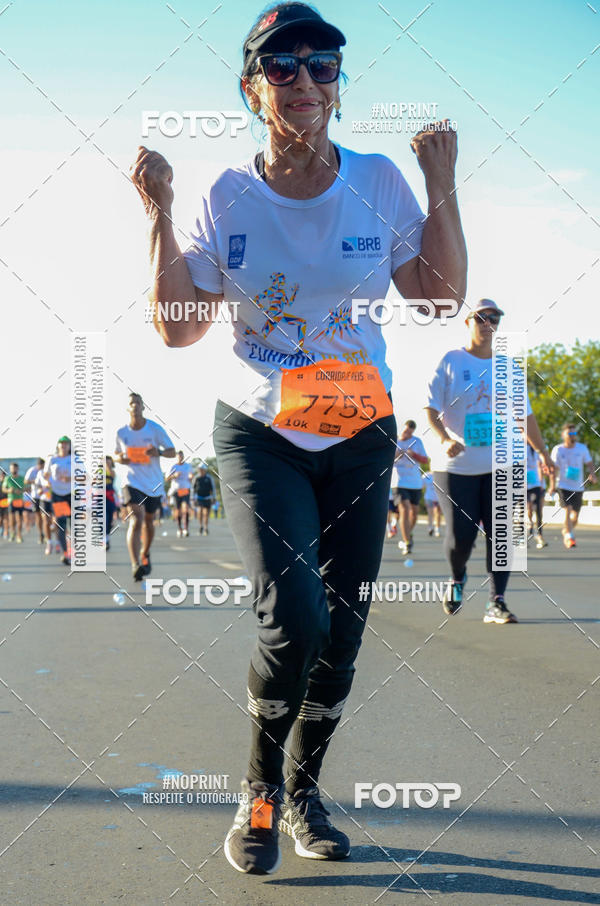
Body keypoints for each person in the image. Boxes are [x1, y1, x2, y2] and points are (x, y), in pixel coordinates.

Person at [131, 0, 466, 875]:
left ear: (339, 88)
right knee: (296, 619)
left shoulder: (380, 180)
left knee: (343, 632)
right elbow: (177, 329)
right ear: (253, 88)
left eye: (324, 65)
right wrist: (159, 213)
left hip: (359, 429)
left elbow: (437, 299)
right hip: (259, 431)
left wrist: (442, 187)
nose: (306, 79)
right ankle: (259, 796)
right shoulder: (224, 192)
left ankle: (305, 790)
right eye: (283, 66)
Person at [425, 299, 554, 624]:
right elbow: (430, 408)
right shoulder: (450, 361)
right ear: (467, 322)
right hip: (456, 466)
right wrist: (444, 439)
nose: (488, 322)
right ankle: (457, 578)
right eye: (481, 317)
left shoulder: (509, 368)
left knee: (504, 535)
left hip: (502, 463)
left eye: (494, 317)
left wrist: (542, 452)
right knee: (460, 539)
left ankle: (496, 601)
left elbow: (524, 415)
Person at [114, 392, 175, 580]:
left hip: (153, 483)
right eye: (131, 403)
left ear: (143, 407)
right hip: (131, 481)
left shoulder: (154, 429)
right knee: (136, 519)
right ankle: (135, 564)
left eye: (138, 403)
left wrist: (159, 452)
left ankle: (145, 553)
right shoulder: (121, 433)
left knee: (149, 521)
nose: (135, 406)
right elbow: (115, 454)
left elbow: (172, 452)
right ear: (127, 408)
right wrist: (120, 458)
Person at [549, 423, 595, 549]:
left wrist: (592, 474)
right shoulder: (558, 449)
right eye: (570, 433)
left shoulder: (582, 448)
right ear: (563, 435)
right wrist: (552, 485)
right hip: (563, 485)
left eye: (574, 433)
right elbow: (553, 469)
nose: (572, 436)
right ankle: (569, 537)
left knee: (575, 518)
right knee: (567, 510)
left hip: (578, 486)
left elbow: (589, 463)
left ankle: (566, 530)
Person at [391, 420, 428, 555]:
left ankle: (408, 533)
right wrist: (397, 454)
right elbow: (385, 460)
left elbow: (425, 460)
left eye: (410, 432)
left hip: (415, 482)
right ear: (401, 429)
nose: (407, 434)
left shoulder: (417, 441)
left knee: (414, 514)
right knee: (404, 509)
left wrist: (413, 454)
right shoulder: (393, 441)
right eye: (406, 431)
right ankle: (407, 543)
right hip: (399, 482)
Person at [44, 437, 72, 566]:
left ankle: (73, 550)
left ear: (70, 446)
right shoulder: (52, 459)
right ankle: (65, 553)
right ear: (58, 445)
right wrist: (47, 482)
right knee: (61, 524)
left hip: (72, 494)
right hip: (58, 495)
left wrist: (70, 478)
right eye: (61, 443)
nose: (63, 446)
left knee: (74, 525)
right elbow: (46, 475)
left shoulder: (75, 459)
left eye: (66, 444)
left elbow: (85, 477)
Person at [166, 451, 194, 537]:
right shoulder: (173, 467)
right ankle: (179, 529)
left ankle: (186, 529)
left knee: (185, 509)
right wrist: (174, 476)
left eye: (182, 457)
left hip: (185, 489)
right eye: (179, 457)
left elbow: (191, 475)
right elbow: (167, 478)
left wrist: (191, 477)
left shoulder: (188, 466)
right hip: (176, 490)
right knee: (177, 510)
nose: (180, 458)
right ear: (176, 457)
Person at [526, 442, 547, 549]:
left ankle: (539, 535)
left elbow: (540, 465)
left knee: (539, 510)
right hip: (523, 483)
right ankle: (527, 527)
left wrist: (540, 482)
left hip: (536, 483)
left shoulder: (536, 448)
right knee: (528, 509)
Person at [25, 458, 47, 545]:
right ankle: (41, 534)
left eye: (43, 466)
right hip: (35, 496)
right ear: (37, 465)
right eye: (40, 466)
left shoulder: (46, 470)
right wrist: (35, 481)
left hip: (45, 496)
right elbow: (25, 481)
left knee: (45, 516)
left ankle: (46, 534)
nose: (41, 468)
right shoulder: (32, 470)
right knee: (38, 516)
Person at [2, 463, 25, 543]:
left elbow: (26, 488)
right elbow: (3, 489)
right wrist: (9, 490)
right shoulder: (8, 478)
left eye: (14, 468)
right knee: (12, 519)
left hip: (20, 501)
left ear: (17, 469)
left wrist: (21, 491)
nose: (13, 470)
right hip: (11, 500)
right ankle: (12, 533)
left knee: (20, 520)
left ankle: (19, 535)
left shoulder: (22, 478)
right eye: (12, 468)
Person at [193, 463, 215, 536]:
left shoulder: (209, 478)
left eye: (202, 469)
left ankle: (205, 528)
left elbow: (213, 488)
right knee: (199, 512)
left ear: (205, 470)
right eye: (199, 469)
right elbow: (192, 489)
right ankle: (200, 526)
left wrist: (214, 497)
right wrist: (192, 498)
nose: (200, 471)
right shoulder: (196, 478)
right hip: (199, 498)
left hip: (207, 497)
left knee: (206, 514)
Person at [422, 470, 442, 537]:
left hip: (438, 498)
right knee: (430, 513)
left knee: (438, 513)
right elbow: (422, 486)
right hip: (429, 497)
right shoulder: (426, 475)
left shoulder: (440, 473)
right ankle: (430, 527)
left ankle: (437, 529)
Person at [105, 455, 117, 551]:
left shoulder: (112, 472)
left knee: (109, 521)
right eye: (105, 462)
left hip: (110, 497)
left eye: (109, 462)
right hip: (100, 498)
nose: (107, 463)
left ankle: (107, 539)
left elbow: (112, 475)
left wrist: (107, 467)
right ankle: (104, 540)